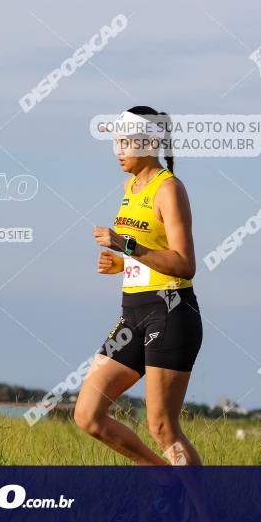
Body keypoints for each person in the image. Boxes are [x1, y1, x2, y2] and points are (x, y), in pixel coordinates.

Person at [74, 106, 204, 469]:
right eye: (116, 142)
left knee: (163, 427)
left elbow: (184, 263)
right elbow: (149, 253)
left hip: (171, 311)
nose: (118, 150)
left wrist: (125, 246)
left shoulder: (170, 189)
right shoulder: (131, 186)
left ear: (149, 142)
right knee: (88, 414)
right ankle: (166, 477)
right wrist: (122, 263)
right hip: (132, 313)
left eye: (125, 142)